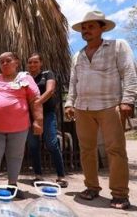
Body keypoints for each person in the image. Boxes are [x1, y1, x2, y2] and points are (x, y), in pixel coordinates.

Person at [65, 11, 137, 209]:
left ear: (102, 28)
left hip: (110, 105)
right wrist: (69, 102)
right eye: (84, 28)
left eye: (91, 27)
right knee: (87, 150)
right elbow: (74, 81)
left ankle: (120, 194)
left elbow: (129, 72)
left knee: (115, 150)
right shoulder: (77, 55)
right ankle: (92, 187)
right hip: (83, 108)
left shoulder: (118, 46)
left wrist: (128, 100)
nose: (86, 31)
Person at [0, 52, 43, 197]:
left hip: (19, 127)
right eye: (1, 61)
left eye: (8, 60)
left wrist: (38, 120)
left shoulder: (25, 78)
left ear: (16, 62)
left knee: (15, 156)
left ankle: (12, 185)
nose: (4, 63)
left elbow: (35, 99)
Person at [26, 53, 67, 188]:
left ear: (41, 63)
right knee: (33, 145)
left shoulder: (47, 74)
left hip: (48, 114)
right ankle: (38, 175)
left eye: (35, 62)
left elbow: (50, 91)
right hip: (31, 116)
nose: (32, 65)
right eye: (30, 62)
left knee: (52, 143)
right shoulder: (25, 78)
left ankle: (61, 176)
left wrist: (37, 103)